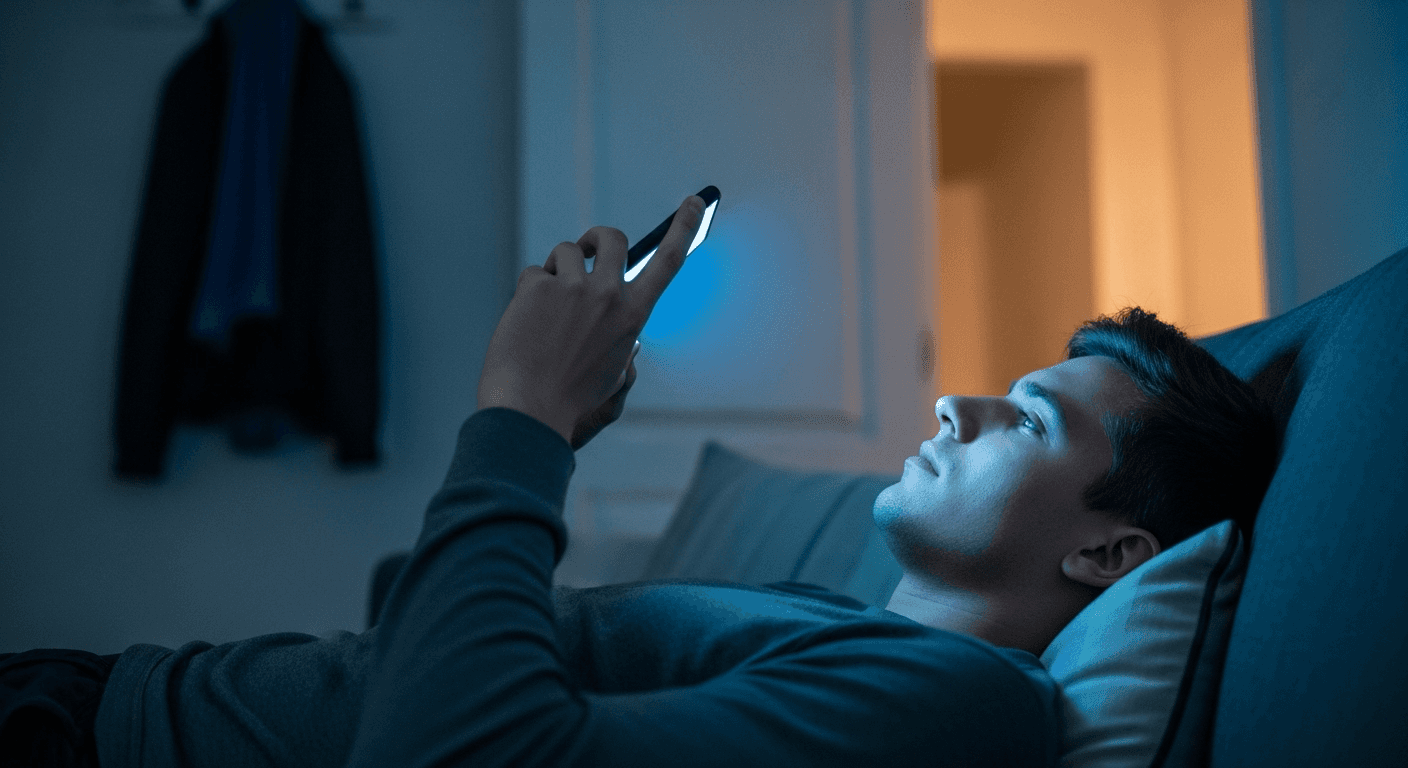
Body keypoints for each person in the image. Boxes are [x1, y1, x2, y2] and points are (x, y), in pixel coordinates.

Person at [1, 195, 1278, 768]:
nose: (956, 402)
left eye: (1029, 420)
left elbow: (464, 752)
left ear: (1108, 553)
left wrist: (524, 420)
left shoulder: (958, 705)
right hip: (97, 700)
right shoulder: (848, 635)